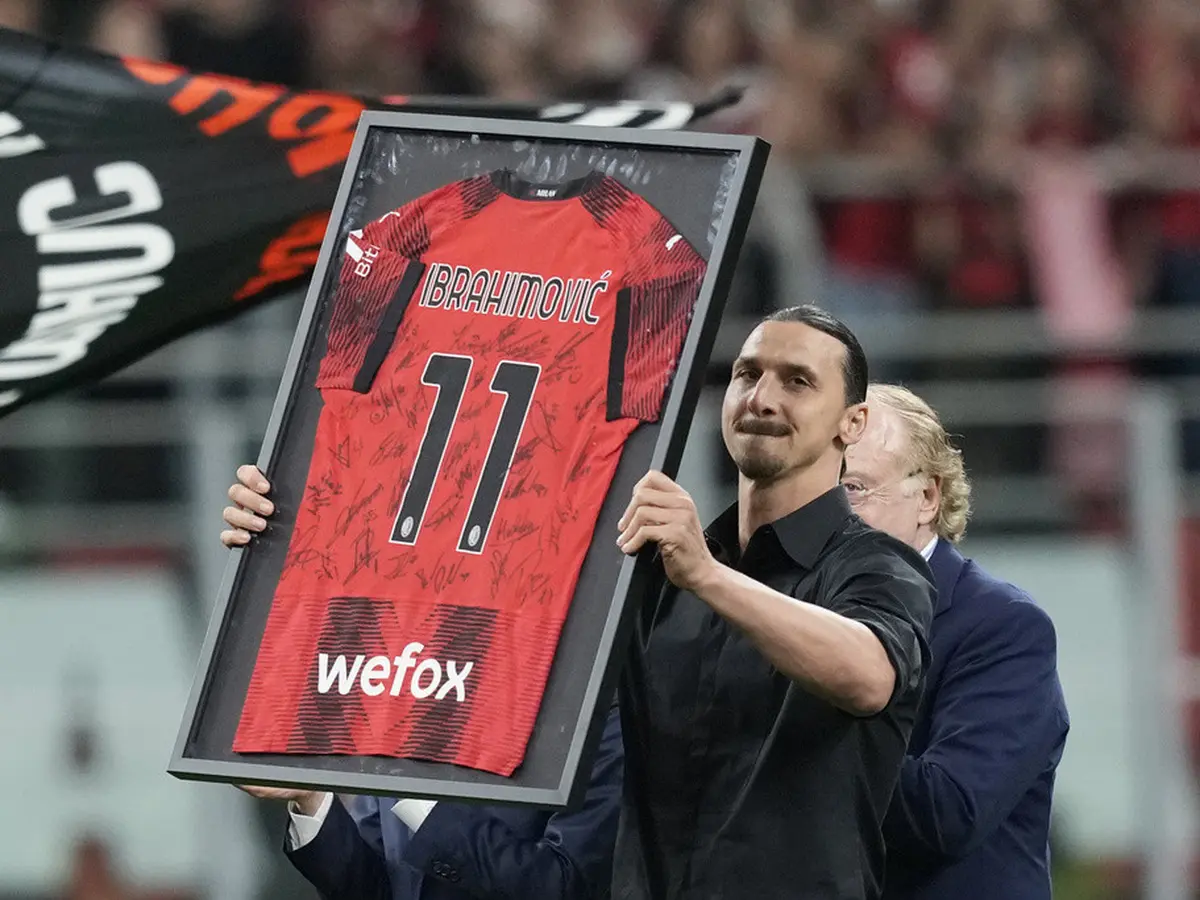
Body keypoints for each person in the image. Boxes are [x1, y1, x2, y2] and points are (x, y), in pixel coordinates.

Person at [611, 305, 936, 899]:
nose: (761, 399)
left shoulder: (878, 565)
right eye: (747, 374)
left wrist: (708, 577)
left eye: (798, 381)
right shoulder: (662, 568)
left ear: (853, 423)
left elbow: (869, 677)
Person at [220, 469, 623, 900]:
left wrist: (419, 797)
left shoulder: (594, 712)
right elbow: (380, 887)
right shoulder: (405, 694)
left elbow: (562, 885)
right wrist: (312, 798)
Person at [841, 383, 1069, 900]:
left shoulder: (1003, 626)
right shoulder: (793, 608)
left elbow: (948, 814)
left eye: (854, 487)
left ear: (927, 497)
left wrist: (806, 712)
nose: (832, 512)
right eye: (818, 490)